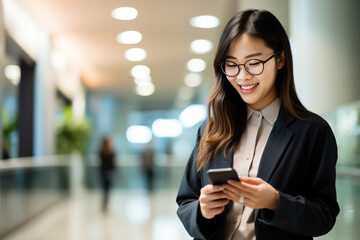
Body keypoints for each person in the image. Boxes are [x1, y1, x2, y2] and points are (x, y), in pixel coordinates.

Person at [176, 9, 339, 240]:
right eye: (232, 64)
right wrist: (202, 209)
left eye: (253, 63)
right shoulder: (212, 129)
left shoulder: (312, 132)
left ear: (280, 59)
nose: (242, 77)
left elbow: (324, 215)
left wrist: (275, 201)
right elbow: (185, 200)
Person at [98, 136, 116, 212]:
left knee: (106, 189)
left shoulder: (102, 151)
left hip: (105, 172)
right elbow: (112, 163)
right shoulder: (110, 151)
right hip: (107, 172)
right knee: (106, 189)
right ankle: (105, 204)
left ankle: (105, 204)